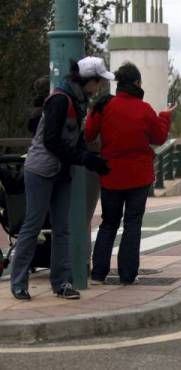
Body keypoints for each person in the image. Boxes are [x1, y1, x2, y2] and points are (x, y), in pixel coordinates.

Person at [10, 56, 112, 300]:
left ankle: (62, 282)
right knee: (32, 226)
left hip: (62, 171)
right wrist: (84, 159)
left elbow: (74, 141)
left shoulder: (78, 100)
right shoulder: (59, 100)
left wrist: (90, 158)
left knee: (62, 229)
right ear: (90, 80)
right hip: (41, 170)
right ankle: (19, 282)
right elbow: (51, 141)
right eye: (99, 82)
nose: (100, 87)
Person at [85, 62, 175, 285]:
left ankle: (98, 273)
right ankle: (127, 274)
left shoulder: (105, 106)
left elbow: (88, 134)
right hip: (138, 176)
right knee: (132, 225)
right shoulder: (144, 109)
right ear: (137, 83)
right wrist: (165, 115)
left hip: (110, 174)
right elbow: (159, 137)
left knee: (108, 223)